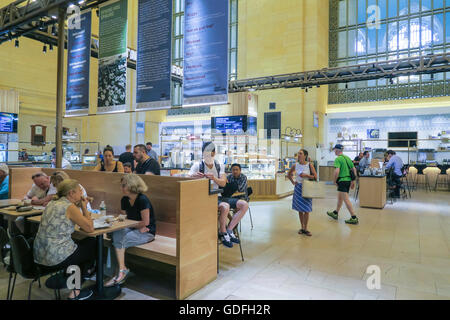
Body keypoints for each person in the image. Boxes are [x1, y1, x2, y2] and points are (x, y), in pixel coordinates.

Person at [33, 179, 96, 300]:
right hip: (55, 257)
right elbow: (90, 228)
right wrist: (84, 206)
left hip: (39, 254)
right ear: (71, 193)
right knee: (91, 243)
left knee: (78, 246)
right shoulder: (69, 207)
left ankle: (72, 276)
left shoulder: (53, 202)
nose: (82, 194)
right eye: (79, 191)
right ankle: (76, 291)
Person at [104, 174, 156, 287]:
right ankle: (121, 270)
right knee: (116, 234)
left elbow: (146, 223)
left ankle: (118, 273)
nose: (121, 188)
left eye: (124, 185)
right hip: (134, 228)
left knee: (119, 240)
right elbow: (125, 219)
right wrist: (117, 221)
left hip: (147, 232)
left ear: (132, 185)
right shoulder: (124, 199)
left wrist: (134, 225)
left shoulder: (142, 199)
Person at [189, 142, 237, 248]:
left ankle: (223, 231)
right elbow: (186, 181)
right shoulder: (197, 165)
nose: (206, 156)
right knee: (225, 206)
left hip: (215, 196)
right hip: (200, 198)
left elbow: (223, 183)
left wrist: (214, 178)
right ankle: (223, 233)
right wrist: (193, 177)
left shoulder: (219, 166)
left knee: (225, 206)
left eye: (208, 153)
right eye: (204, 153)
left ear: (214, 153)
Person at [287, 149, 317, 236]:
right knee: (300, 209)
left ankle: (306, 228)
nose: (299, 155)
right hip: (298, 187)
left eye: (300, 153)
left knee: (306, 209)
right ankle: (302, 227)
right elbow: (289, 174)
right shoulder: (295, 165)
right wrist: (293, 182)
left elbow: (315, 177)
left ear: (305, 156)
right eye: (298, 154)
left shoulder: (309, 165)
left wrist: (306, 175)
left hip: (307, 187)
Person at [326, 144, 359, 225]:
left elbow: (337, 171)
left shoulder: (338, 159)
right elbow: (354, 169)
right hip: (347, 181)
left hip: (342, 181)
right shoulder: (347, 158)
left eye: (334, 150)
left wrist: (334, 181)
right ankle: (335, 212)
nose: (334, 151)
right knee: (340, 197)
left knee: (346, 199)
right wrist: (353, 181)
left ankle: (353, 217)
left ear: (337, 150)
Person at [223, 164, 249, 234]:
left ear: (240, 170)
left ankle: (232, 226)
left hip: (242, 197)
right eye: (233, 170)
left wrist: (232, 188)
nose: (235, 171)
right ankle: (232, 221)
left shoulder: (243, 177)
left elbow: (241, 189)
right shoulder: (229, 177)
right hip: (231, 197)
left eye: (237, 170)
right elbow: (226, 188)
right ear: (231, 171)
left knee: (238, 208)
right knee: (224, 206)